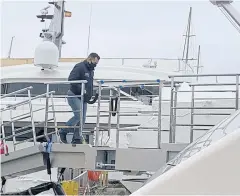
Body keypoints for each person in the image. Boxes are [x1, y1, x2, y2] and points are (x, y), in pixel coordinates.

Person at [58, 53, 100, 144]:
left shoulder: (91, 71)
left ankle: (77, 138)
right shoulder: (80, 67)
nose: (95, 65)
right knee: (79, 116)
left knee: (83, 119)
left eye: (96, 63)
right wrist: (82, 89)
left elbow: (89, 84)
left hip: (83, 98)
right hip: (74, 95)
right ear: (90, 59)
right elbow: (71, 79)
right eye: (95, 62)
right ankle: (63, 131)